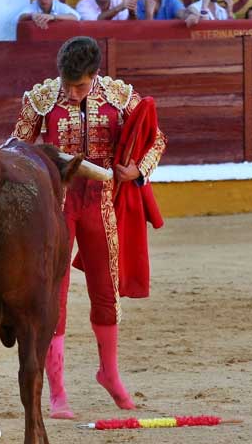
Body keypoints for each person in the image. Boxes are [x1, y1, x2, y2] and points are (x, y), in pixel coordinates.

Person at [12, 36, 167, 418]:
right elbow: (17, 145)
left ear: (95, 76)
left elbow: (156, 139)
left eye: (79, 86)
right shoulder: (43, 98)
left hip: (102, 205)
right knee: (54, 296)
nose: (71, 92)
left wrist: (138, 171)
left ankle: (109, 373)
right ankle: (57, 391)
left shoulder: (118, 95)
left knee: (106, 292)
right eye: (66, 84)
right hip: (57, 207)